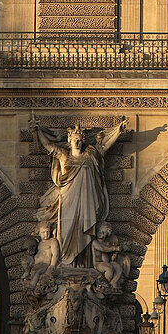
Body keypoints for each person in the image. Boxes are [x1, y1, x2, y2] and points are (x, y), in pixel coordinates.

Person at [31, 114, 127, 266]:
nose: (77, 141)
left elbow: (104, 146)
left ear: (82, 141)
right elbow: (49, 146)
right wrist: (38, 131)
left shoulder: (91, 155)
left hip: (87, 201)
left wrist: (118, 131)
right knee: (66, 232)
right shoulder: (64, 156)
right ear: (69, 140)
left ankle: (84, 264)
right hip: (68, 200)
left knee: (86, 229)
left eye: (79, 139)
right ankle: (64, 262)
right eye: (74, 139)